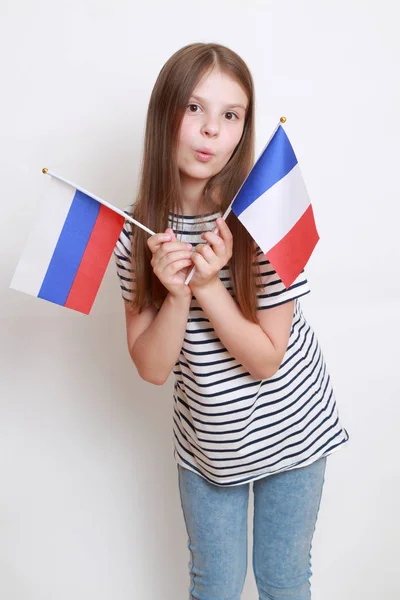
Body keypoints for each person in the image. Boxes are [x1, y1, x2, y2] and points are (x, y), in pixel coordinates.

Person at [114, 42, 350, 600]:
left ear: (244, 130)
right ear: (164, 113)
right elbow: (151, 367)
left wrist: (204, 288)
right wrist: (174, 295)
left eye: (230, 115)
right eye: (194, 108)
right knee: (214, 586)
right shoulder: (135, 232)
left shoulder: (263, 212)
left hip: (293, 433)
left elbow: (267, 358)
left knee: (283, 580)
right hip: (208, 447)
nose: (210, 130)